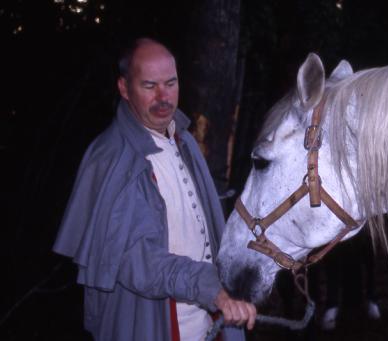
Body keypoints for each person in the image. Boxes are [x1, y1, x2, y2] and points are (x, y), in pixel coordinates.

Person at [53, 37, 256, 341]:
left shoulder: (183, 140)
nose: (164, 97)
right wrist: (212, 289)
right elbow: (137, 261)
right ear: (124, 88)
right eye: (149, 86)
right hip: (147, 325)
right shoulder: (111, 158)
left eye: (171, 83)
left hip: (211, 324)